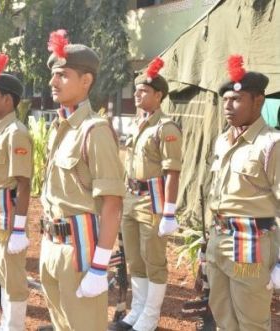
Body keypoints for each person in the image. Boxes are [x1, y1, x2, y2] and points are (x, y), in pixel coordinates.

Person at [39, 29, 124, 331]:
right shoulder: (60, 128)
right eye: (53, 75)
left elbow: (112, 204)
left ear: (86, 81)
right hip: (51, 244)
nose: (53, 82)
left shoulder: (95, 130)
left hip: (80, 252)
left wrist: (100, 266)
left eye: (62, 75)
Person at [206, 55, 280, 330]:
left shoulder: (271, 144)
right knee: (222, 313)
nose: (228, 106)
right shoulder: (222, 141)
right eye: (225, 100)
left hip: (251, 246)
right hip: (219, 241)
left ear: (258, 101)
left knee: (251, 321)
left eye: (236, 99)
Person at [116, 57, 182, 331]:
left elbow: (173, 172)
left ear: (159, 95)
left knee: (153, 258)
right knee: (133, 257)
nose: (137, 94)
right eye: (137, 90)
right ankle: (138, 309)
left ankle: (151, 315)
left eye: (143, 91)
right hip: (131, 197)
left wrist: (169, 211)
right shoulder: (136, 124)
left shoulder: (166, 128)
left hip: (152, 200)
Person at [0, 53, 32, 330]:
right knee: (2, 272)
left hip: (9, 217)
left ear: (8, 100)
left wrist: (20, 229)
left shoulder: (15, 133)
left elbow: (23, 183)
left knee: (12, 278)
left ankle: (14, 326)